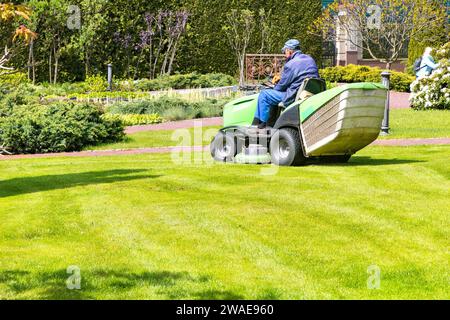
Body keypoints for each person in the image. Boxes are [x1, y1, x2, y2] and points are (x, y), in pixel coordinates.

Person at [252, 39, 319, 129]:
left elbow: (281, 87)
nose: (284, 54)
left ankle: (260, 125)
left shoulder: (291, 64)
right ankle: (267, 123)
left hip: (292, 96)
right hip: (308, 93)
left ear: (289, 51)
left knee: (264, 94)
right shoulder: (310, 60)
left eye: (285, 51)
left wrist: (274, 86)